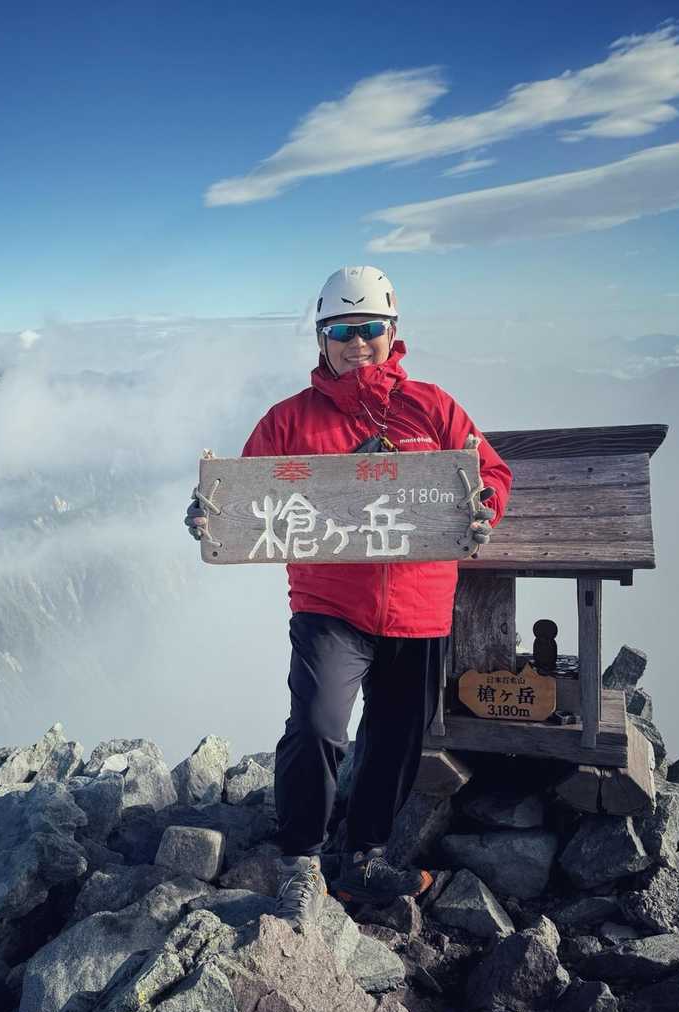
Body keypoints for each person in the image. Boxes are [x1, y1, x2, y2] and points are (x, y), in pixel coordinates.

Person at [185, 266, 513, 932]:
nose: (357, 343)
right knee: (317, 724)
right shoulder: (289, 420)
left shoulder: (433, 407)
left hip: (419, 607)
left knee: (396, 738)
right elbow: (244, 495)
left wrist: (486, 505)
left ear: (393, 333)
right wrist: (210, 514)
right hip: (329, 603)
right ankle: (301, 859)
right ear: (321, 338)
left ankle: (364, 857)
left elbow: (490, 471)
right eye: (342, 331)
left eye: (370, 329)